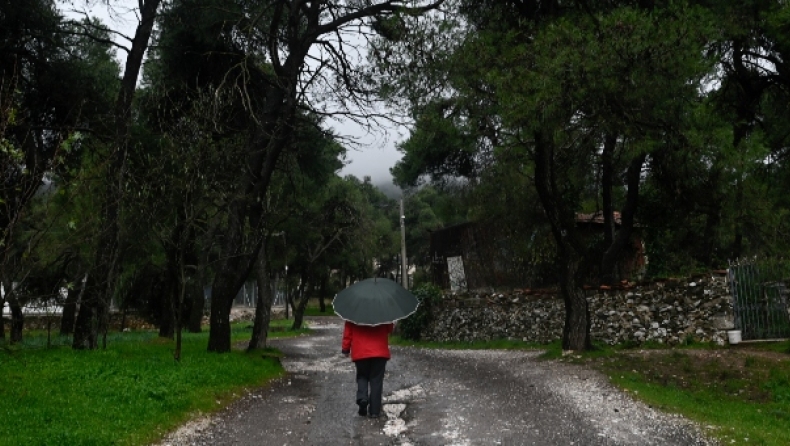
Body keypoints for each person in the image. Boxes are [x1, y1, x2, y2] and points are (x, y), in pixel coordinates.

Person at [341, 320, 394, 418]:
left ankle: (362, 398)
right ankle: (374, 411)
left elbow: (348, 331)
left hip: (360, 352)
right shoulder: (383, 312)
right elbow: (389, 329)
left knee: (362, 376)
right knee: (376, 380)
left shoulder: (354, 312)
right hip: (379, 352)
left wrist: (345, 348)